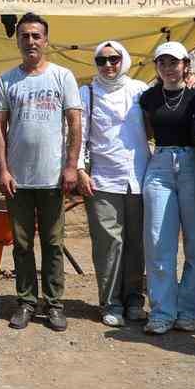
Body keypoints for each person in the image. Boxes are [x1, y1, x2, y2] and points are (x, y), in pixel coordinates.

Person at [0, 12, 82, 332]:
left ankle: (54, 303)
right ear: (17, 40)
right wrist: (2, 169)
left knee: (53, 243)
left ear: (45, 40)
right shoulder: (6, 80)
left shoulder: (62, 76)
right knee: (21, 243)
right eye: (25, 36)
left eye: (36, 36)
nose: (30, 41)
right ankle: (27, 301)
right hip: (18, 178)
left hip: (53, 177)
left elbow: (74, 123)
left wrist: (71, 166)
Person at [138, 40, 195, 336]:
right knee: (158, 241)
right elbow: (146, 132)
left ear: (185, 65)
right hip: (161, 162)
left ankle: (189, 309)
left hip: (193, 163)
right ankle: (162, 311)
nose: (169, 68)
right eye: (163, 63)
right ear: (157, 67)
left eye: (174, 63)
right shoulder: (149, 98)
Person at [77, 40, 150, 328]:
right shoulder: (88, 93)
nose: (108, 65)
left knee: (136, 244)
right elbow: (79, 134)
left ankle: (134, 300)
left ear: (124, 60)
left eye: (114, 59)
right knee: (108, 245)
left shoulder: (140, 91)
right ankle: (111, 302)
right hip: (103, 181)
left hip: (139, 178)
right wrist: (80, 170)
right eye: (102, 60)